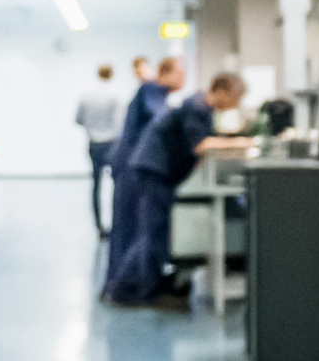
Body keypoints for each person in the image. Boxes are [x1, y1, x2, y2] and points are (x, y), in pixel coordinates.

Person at [107, 71, 252, 306]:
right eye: (235, 97)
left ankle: (140, 286)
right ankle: (126, 288)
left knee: (157, 234)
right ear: (221, 91)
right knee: (151, 234)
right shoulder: (196, 107)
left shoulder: (202, 110)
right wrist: (245, 142)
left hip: (160, 173)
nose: (235, 104)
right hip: (154, 171)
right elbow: (201, 144)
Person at [101, 56, 178, 301]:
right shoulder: (152, 89)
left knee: (130, 226)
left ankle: (122, 283)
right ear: (165, 73)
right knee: (132, 227)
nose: (183, 78)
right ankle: (122, 286)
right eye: (180, 72)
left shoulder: (154, 91)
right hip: (131, 166)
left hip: (130, 163)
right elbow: (160, 118)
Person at [74, 62, 133, 236]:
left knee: (96, 185)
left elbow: (78, 119)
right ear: (111, 74)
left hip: (94, 143)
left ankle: (99, 226)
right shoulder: (116, 95)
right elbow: (120, 123)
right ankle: (116, 223)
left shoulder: (86, 95)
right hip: (112, 144)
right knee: (117, 184)